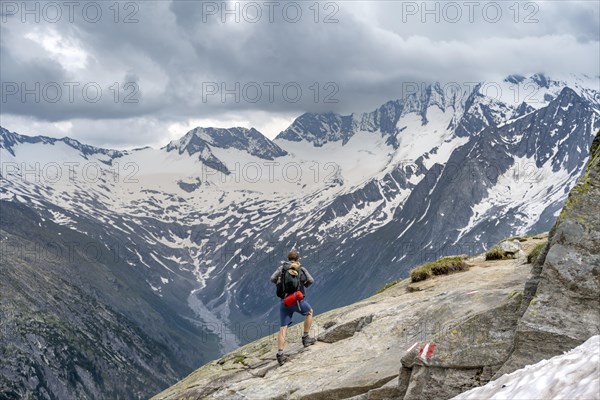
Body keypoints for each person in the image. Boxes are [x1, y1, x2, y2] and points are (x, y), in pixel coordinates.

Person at [270, 249, 316, 365]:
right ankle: (306, 338)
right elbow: (311, 280)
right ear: (298, 259)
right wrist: (303, 285)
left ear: (288, 259)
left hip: (285, 301)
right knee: (310, 312)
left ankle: (280, 354)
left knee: (283, 327)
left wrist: (280, 284)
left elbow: (272, 279)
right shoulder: (301, 268)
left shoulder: (282, 268)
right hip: (297, 300)